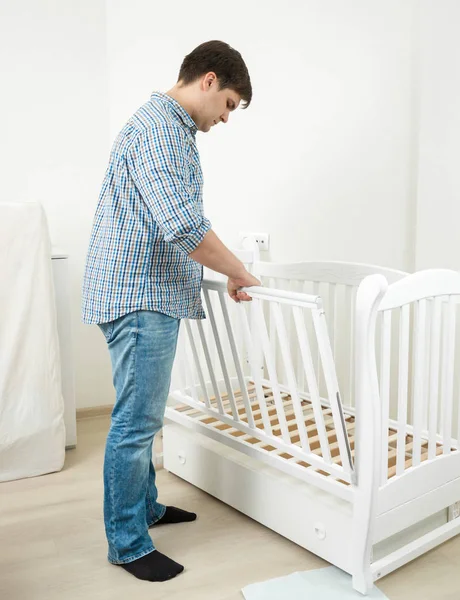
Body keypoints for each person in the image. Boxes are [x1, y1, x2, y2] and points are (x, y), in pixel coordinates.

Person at [81, 40, 260, 583]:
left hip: (145, 292)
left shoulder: (168, 128)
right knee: (135, 424)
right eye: (228, 104)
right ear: (208, 80)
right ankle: (129, 543)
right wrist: (237, 270)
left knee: (145, 417)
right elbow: (182, 226)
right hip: (138, 297)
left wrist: (215, 270)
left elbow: (165, 227)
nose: (226, 119)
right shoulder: (159, 129)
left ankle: (147, 509)